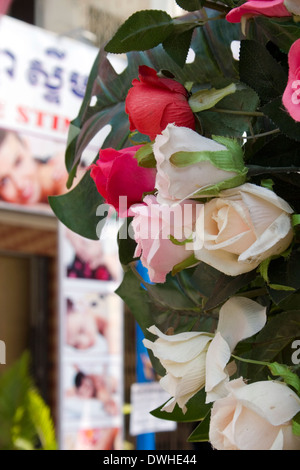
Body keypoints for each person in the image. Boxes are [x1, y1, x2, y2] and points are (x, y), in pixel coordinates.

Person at [0, 128, 73, 205]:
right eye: (4, 181)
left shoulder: (61, 176)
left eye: (18, 162)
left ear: (26, 145)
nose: (20, 185)